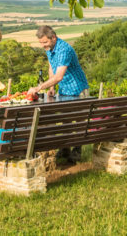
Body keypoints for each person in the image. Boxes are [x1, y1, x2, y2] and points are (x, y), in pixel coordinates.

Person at [28, 25, 89, 163]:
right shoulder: (50, 48)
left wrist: (39, 88)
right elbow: (52, 67)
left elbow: (59, 76)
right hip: (64, 89)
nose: (43, 45)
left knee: (79, 121)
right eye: (41, 43)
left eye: (45, 42)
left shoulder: (64, 49)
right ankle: (65, 148)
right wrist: (52, 87)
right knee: (65, 119)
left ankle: (77, 151)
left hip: (78, 89)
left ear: (53, 37)